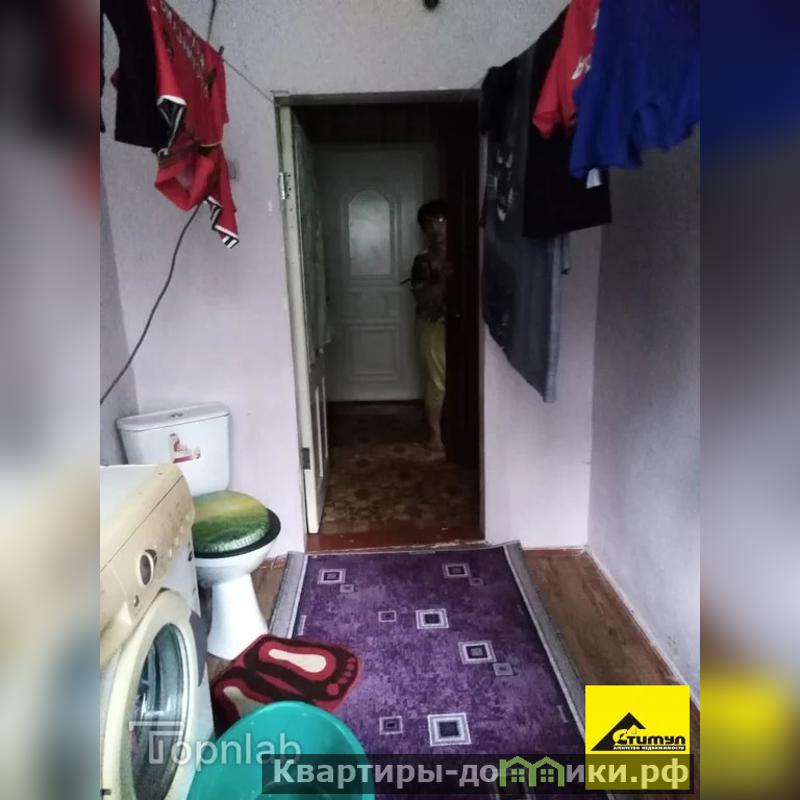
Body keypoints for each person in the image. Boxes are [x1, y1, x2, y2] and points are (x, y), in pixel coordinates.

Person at [410, 199, 452, 451]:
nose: (436, 228)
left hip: (462, 326)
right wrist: (441, 277)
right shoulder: (422, 261)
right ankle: (436, 435)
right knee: (437, 381)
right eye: (429, 224)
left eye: (441, 220)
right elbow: (423, 299)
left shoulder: (468, 251)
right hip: (432, 324)